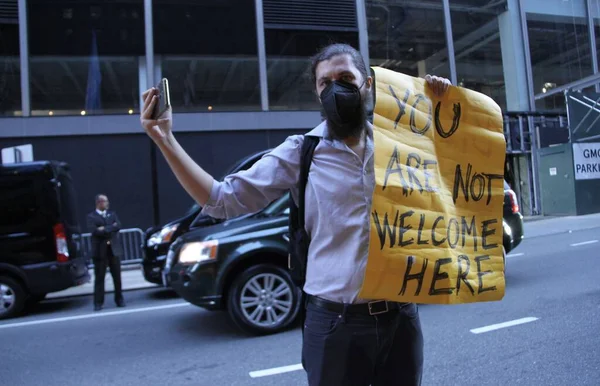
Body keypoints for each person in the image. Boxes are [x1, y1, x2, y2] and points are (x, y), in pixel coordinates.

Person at [140, 43, 450, 386]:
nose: (336, 88)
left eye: (346, 77)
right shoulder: (300, 152)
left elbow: (454, 180)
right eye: (325, 82)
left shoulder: (402, 144)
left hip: (401, 318)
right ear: (318, 93)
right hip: (335, 325)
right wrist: (165, 139)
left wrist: (446, 108)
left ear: (368, 83)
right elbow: (221, 199)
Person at [86, 194, 126, 311]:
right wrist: (110, 227)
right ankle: (98, 302)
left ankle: (119, 299)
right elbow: (95, 231)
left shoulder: (112, 214)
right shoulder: (91, 216)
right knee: (99, 277)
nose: (107, 203)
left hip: (113, 250)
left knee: (117, 277)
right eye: (105, 201)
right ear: (99, 203)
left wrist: (104, 228)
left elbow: (118, 225)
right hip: (100, 251)